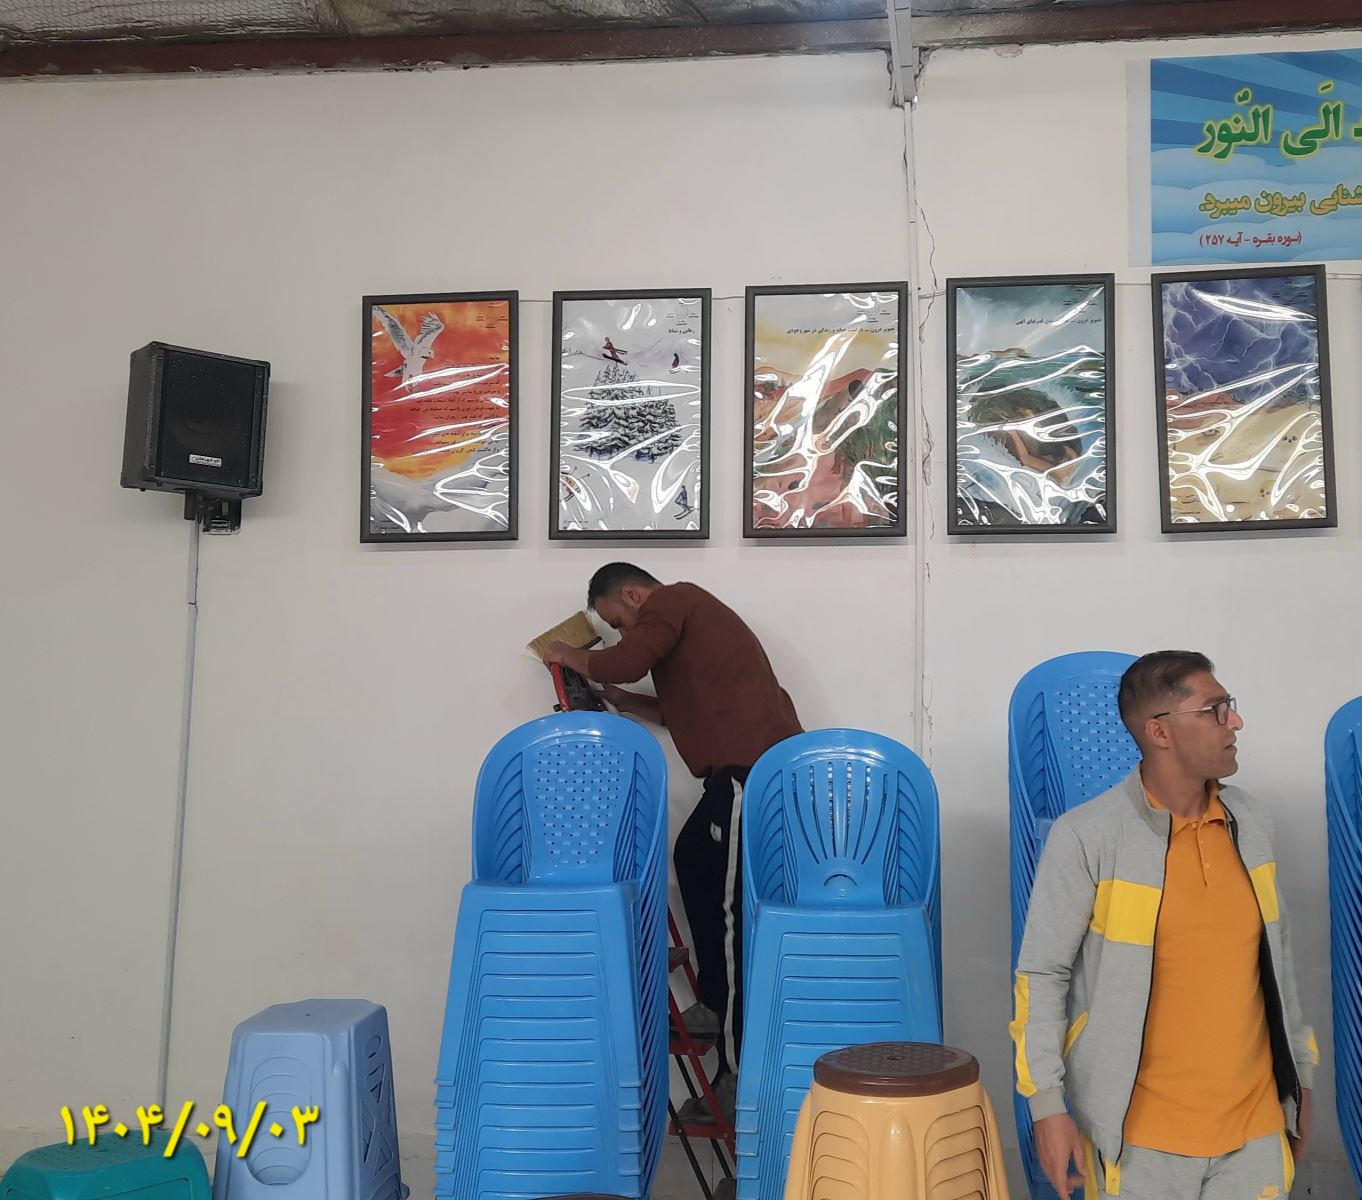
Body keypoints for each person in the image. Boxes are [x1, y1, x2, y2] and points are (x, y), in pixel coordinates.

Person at [1011, 651, 1318, 1199]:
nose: (1235, 721)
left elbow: (1280, 963)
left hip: (1255, 1135)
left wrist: (1302, 1082)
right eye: (1215, 709)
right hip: (1136, 1145)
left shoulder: (1252, 823)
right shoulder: (1086, 837)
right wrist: (1047, 1107)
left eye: (1229, 706)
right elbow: (1042, 974)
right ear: (1159, 731)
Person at [542, 563, 802, 1118]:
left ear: (633, 595)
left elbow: (626, 660)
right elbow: (670, 708)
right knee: (691, 857)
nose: (622, 633)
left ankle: (737, 1079)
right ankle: (712, 1001)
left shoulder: (673, 599)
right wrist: (619, 698)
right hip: (733, 777)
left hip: (750, 776)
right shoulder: (689, 630)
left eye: (617, 621)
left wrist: (566, 654)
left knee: (733, 922)